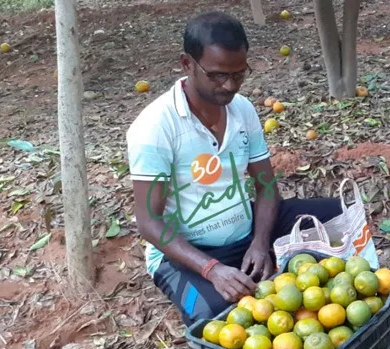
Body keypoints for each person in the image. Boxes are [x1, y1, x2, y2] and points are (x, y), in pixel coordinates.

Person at [126, 11, 341, 326]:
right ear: (187, 64)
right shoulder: (155, 127)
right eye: (217, 75)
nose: (229, 85)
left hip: (245, 229)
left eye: (239, 74)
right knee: (216, 320)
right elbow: (148, 222)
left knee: (339, 216)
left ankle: (274, 261)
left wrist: (260, 242)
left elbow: (267, 187)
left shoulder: (242, 111)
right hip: (188, 253)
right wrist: (211, 269)